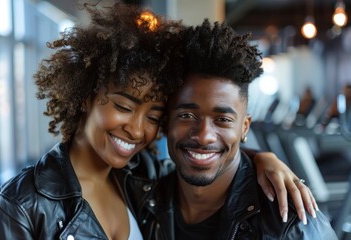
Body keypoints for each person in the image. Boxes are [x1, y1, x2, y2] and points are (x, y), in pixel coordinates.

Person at [0, 2, 316, 239]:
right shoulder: (23, 204)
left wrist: (263, 158)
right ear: (86, 97)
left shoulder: (140, 179)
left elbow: (204, 152)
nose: (135, 129)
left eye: (153, 116)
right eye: (123, 105)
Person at [134, 19, 338, 239]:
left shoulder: (292, 223)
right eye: (186, 115)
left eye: (222, 119)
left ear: (244, 127)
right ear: (166, 122)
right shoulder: (144, 199)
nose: (203, 136)